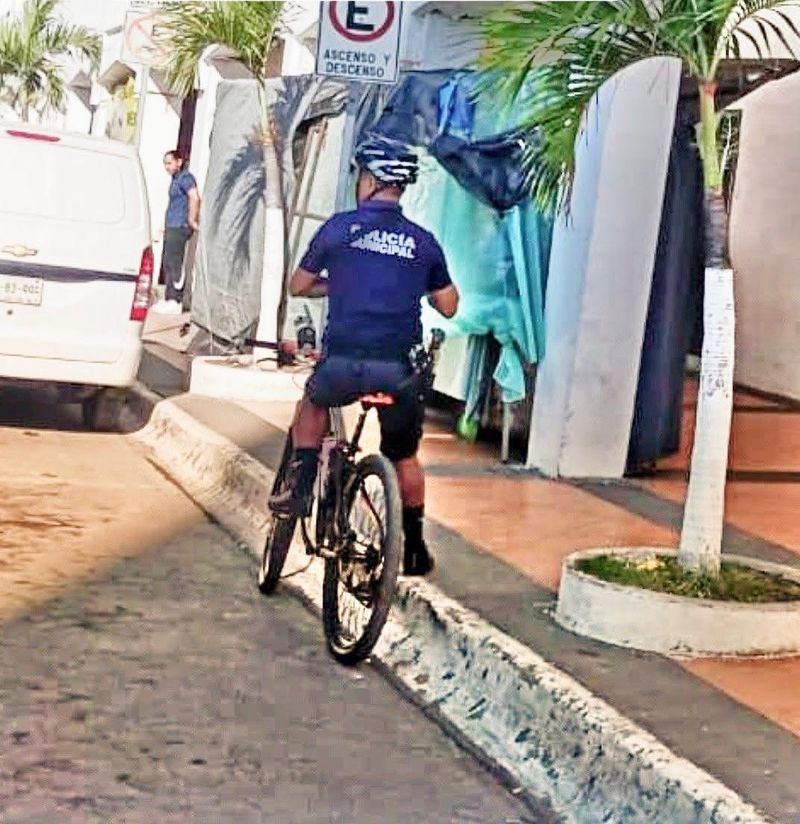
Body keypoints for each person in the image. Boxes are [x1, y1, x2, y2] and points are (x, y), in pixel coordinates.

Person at [269, 134, 459, 576]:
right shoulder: (423, 241)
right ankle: (413, 546)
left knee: (313, 401)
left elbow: (298, 285)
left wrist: (345, 281)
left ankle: (298, 482)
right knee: (404, 456)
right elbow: (448, 305)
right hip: (398, 372)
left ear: (370, 179)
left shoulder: (339, 228)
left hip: (343, 366)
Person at [151, 149, 200, 315]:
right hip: (171, 225)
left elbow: (194, 197)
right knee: (168, 262)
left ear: (179, 162)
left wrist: (192, 220)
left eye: (169, 163)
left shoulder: (186, 178)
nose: (167, 167)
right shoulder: (175, 179)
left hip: (180, 226)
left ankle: (176, 300)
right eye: (165, 163)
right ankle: (168, 297)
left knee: (175, 263)